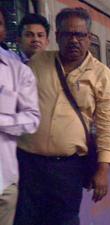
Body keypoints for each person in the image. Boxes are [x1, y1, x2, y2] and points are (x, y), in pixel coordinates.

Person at [15, 8, 110, 225]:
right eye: (67, 34)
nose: (74, 40)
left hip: (67, 169)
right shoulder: (37, 64)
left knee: (64, 221)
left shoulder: (103, 76)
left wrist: (102, 170)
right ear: (57, 37)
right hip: (26, 164)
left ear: (89, 38)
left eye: (80, 35)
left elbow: (106, 126)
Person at [0, 8, 40, 225]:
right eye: (29, 34)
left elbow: (32, 118)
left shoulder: (18, 70)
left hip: (3, 183)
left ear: (4, 31)